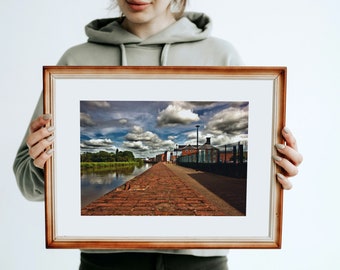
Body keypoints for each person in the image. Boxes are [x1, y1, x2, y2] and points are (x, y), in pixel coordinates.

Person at [13, 0, 303, 269]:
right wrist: (44, 166)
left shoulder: (220, 55)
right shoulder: (75, 61)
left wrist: (272, 173)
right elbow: (26, 181)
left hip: (200, 262)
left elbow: (258, 174)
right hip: (105, 263)